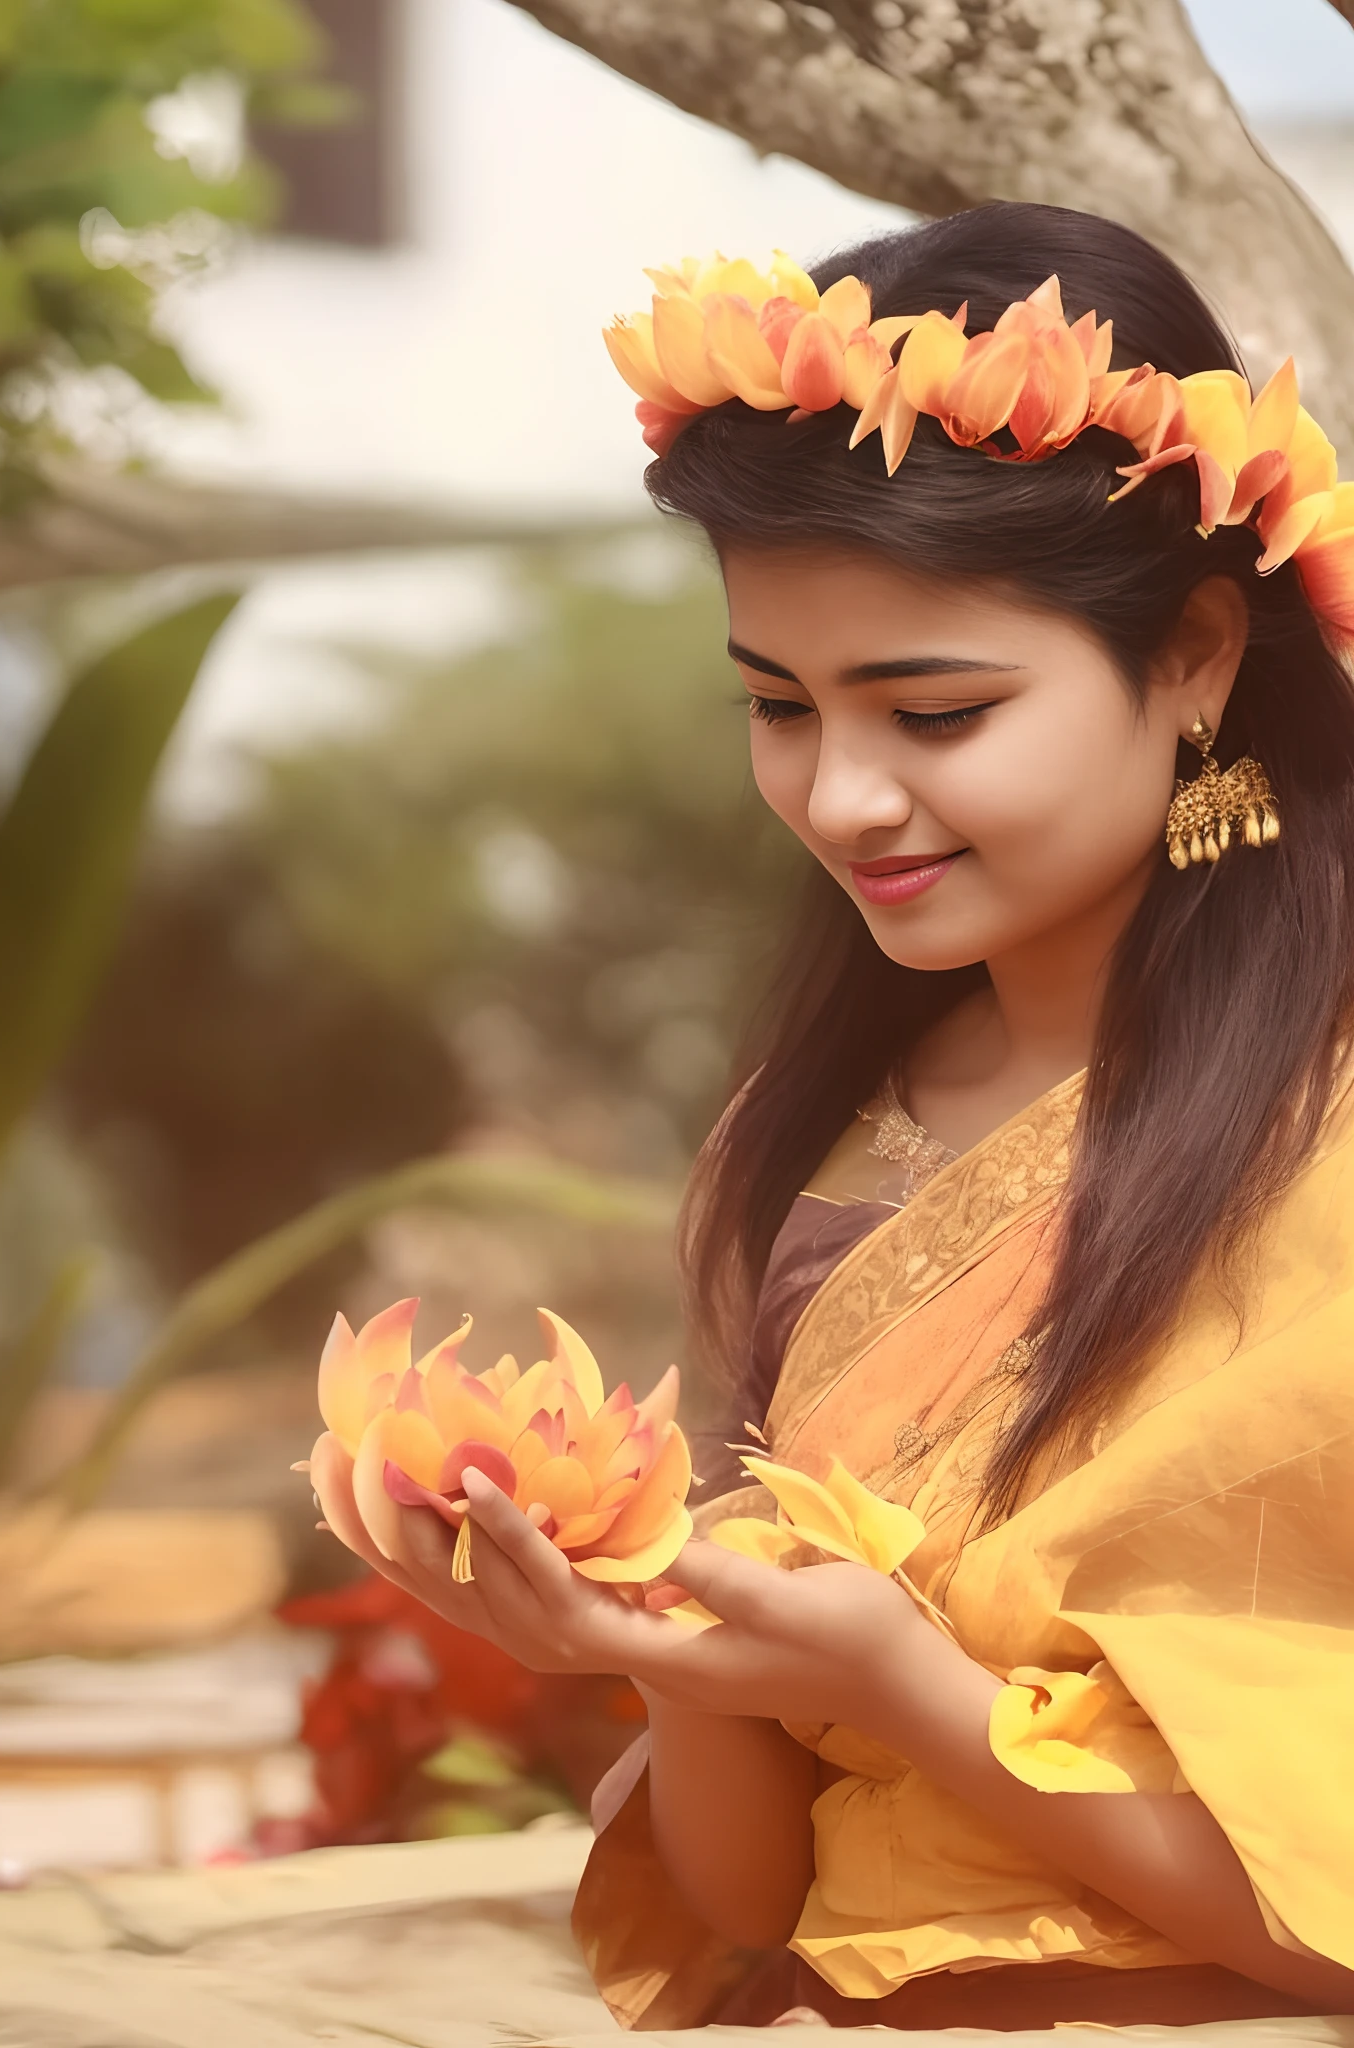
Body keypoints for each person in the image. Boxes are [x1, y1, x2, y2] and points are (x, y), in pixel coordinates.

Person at [350, 205, 1354, 2027]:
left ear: (1199, 652)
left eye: (939, 711)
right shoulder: (812, 1140)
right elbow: (756, 1902)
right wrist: (661, 1637)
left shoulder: (1330, 1139)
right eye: (777, 707)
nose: (845, 796)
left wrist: (912, 1687)